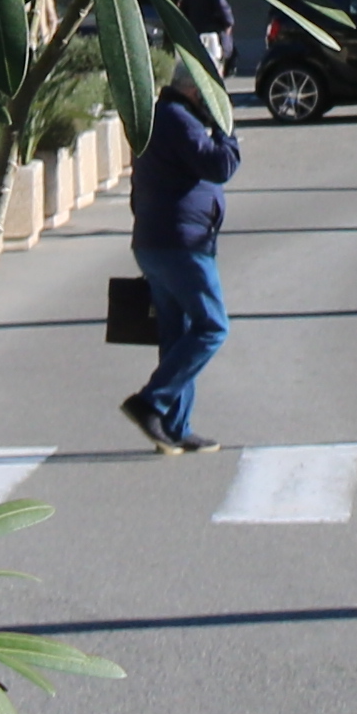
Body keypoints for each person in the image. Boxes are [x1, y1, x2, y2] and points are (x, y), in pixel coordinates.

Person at [122, 70, 239, 458]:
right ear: (194, 90)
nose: (214, 103)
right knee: (212, 326)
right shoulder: (177, 118)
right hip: (182, 245)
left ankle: (173, 429)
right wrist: (227, 129)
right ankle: (151, 403)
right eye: (211, 94)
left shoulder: (160, 118)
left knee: (178, 336)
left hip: (157, 241)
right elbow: (219, 165)